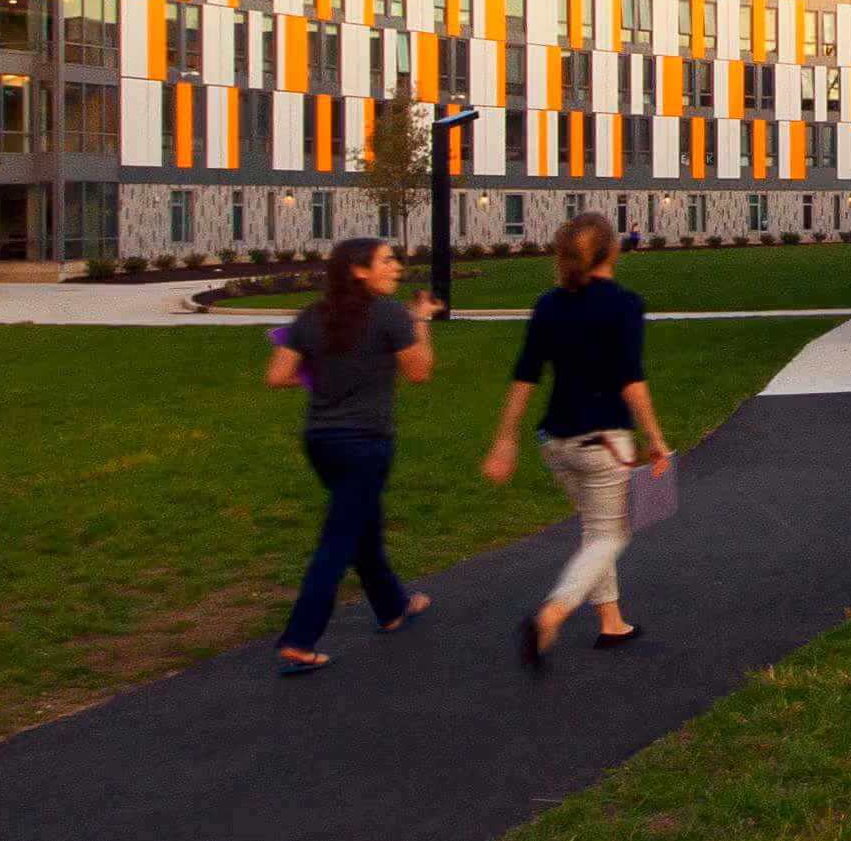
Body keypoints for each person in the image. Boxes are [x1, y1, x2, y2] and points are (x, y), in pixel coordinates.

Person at [483, 212, 672, 667]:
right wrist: (656, 437)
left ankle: (611, 624)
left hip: (556, 444)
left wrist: (504, 440)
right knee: (611, 534)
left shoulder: (550, 304)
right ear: (612, 250)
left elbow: (525, 376)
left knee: (594, 532)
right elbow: (631, 379)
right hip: (604, 441)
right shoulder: (624, 303)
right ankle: (553, 612)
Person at [264, 235, 440, 674]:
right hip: (365, 444)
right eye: (386, 260)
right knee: (339, 540)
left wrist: (325, 380)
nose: (396, 266)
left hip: (321, 442)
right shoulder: (389, 315)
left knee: (361, 527)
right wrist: (421, 321)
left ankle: (393, 607)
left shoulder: (312, 315)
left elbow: (277, 376)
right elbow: (419, 372)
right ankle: (300, 640)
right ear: (359, 270)